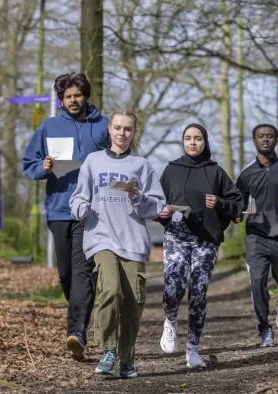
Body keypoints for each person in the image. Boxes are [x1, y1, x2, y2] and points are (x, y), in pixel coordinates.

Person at [69, 110, 165, 378]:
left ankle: (127, 359)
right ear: (109, 129)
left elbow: (157, 206)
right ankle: (108, 350)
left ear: (133, 134)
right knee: (110, 290)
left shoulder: (141, 166)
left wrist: (138, 195)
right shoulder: (93, 161)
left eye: (128, 130)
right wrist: (82, 207)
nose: (122, 133)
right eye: (118, 128)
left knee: (133, 303)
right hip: (101, 237)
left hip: (132, 241)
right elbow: (77, 199)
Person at [22, 72, 109, 360]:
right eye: (68, 96)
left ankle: (77, 332)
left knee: (83, 270)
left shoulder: (103, 126)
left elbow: (119, 156)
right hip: (59, 207)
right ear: (62, 99)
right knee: (66, 274)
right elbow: (29, 163)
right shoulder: (49, 126)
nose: (73, 100)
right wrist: (44, 166)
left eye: (78, 95)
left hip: (92, 209)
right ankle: (80, 321)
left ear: (86, 97)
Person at [156, 124, 244, 368]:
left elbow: (237, 203)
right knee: (173, 287)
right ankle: (170, 321)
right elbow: (156, 202)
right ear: (182, 142)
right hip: (176, 236)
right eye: (187, 138)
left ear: (205, 141)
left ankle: (193, 349)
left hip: (205, 239)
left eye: (197, 138)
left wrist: (219, 203)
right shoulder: (172, 169)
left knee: (198, 291)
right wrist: (161, 212)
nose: (192, 142)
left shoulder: (215, 172)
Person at [234, 124, 278, 348]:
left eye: (270, 136)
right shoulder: (246, 174)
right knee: (257, 280)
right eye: (261, 136)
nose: (265, 140)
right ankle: (264, 329)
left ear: (276, 140)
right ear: (254, 141)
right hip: (257, 235)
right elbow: (237, 204)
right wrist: (233, 214)